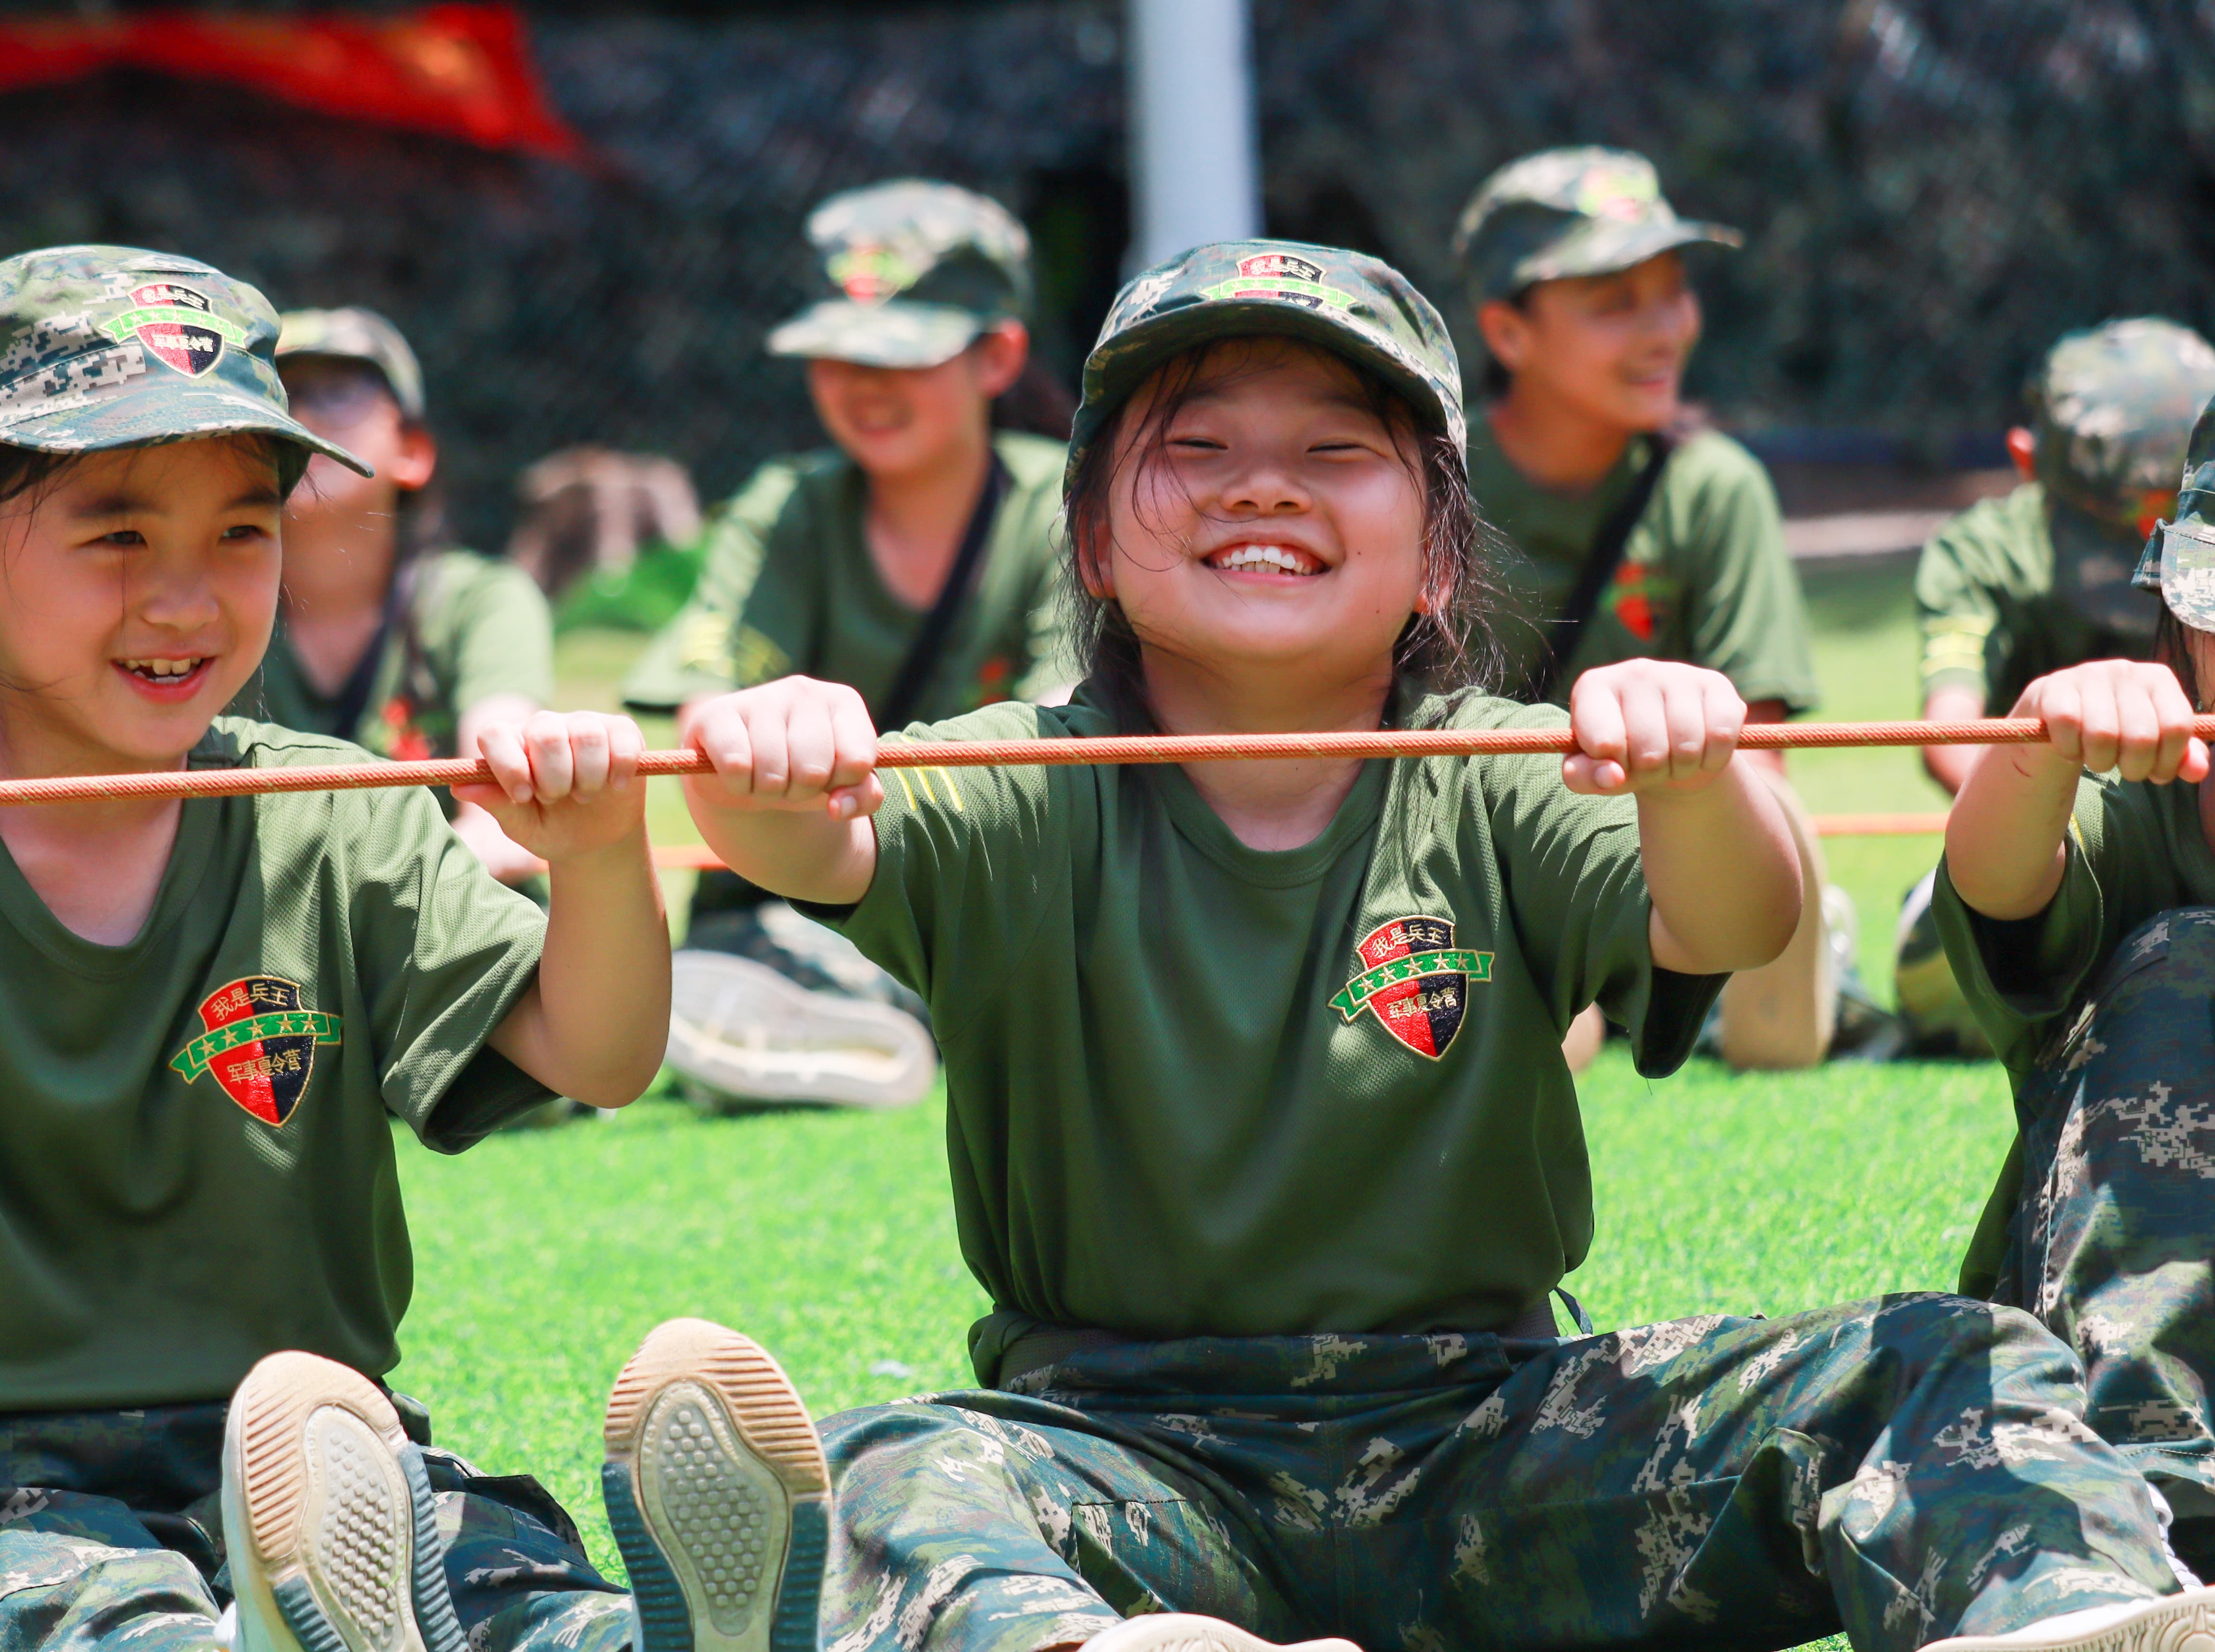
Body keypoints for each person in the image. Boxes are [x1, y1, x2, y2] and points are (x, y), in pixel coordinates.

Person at [680, 238, 2213, 1652]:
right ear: (1088, 540)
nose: (1261, 489)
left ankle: (2071, 1613)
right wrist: (765, 753)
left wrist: (1696, 776)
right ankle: (1085, 1645)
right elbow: (806, 842)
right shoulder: (1018, 777)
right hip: (1122, 1457)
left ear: (1434, 555)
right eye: (1195, 448)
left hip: (1495, 1452)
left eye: (1335, 452)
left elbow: (1736, 923)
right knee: (893, 1466)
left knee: (1939, 1359)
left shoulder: (1501, 765)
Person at [0, 244, 831, 1652]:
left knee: (516, 1597)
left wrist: (595, 857)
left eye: (241, 534)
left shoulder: (331, 810)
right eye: (117, 537)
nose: (188, 599)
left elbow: (599, 1054)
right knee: (109, 1626)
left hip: (326, 1469)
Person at [624, 179, 1075, 1110]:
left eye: (902, 356)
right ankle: (825, 1011)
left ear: (997, 357)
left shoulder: (1064, 508)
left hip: (986, 888)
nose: (865, 386)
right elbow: (711, 708)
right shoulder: (786, 505)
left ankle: (850, 1007)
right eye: (837, 354)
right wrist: (766, 752)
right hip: (794, 882)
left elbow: (1063, 735)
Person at [1452, 147, 1835, 1072]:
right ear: (1507, 333)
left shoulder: (1714, 488)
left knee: (1770, 874)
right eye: (1615, 303)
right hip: (1477, 858)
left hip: (1672, 848)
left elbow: (1759, 753)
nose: (1665, 330)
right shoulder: (1428, 492)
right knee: (1539, 1031)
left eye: (1673, 292)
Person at [1929, 386, 2215, 1578]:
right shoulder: (2143, 806)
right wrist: (2038, 746)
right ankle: (2164, 1535)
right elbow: (2001, 888)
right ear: (2182, 627)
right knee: (2189, 956)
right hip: (2141, 1417)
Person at [1891, 317, 2215, 1055]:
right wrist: (2037, 796)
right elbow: (1948, 732)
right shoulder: (1987, 552)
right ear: (2024, 461)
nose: (2142, 532)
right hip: (2059, 847)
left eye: (2162, 502)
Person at [245, 307, 554, 884]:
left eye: (339, 393)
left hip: (466, 928)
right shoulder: (206, 612)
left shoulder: (482, 602)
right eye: (272, 397)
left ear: (413, 451)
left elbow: (504, 819)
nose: (300, 417)